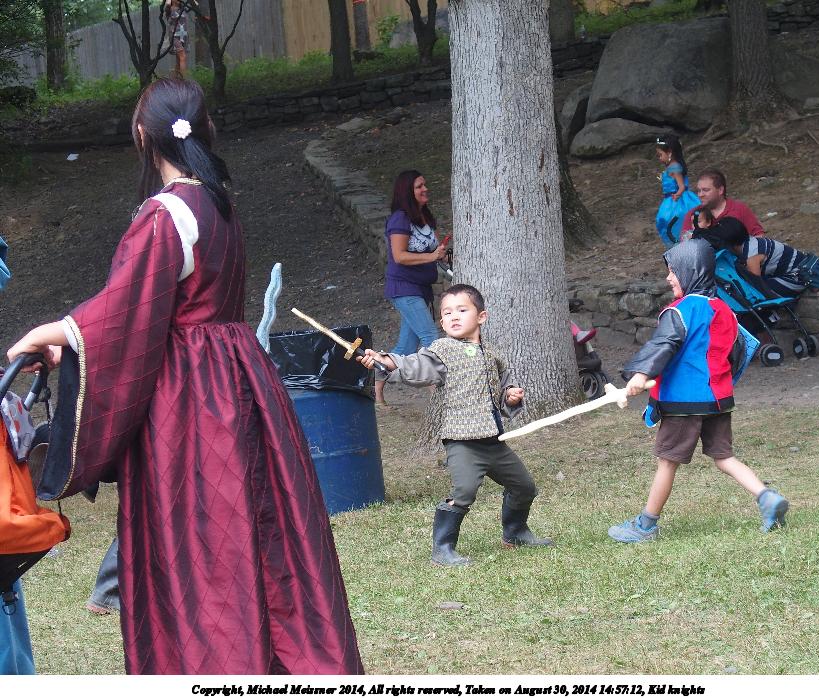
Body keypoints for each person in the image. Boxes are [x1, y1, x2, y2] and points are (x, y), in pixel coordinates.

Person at [7, 78, 363, 675]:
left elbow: (127, 311)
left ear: (142, 135)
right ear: (206, 130)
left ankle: (215, 666)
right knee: (256, 527)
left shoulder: (165, 214)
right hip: (241, 382)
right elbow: (159, 315)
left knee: (203, 539)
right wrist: (73, 345)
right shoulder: (219, 205)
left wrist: (54, 332)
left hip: (190, 400)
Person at [358, 284, 553, 566]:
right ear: (441, 321)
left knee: (524, 486)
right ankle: (443, 549)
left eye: (462, 310)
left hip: (493, 442)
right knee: (464, 492)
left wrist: (511, 396)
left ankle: (515, 532)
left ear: (481, 316)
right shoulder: (443, 351)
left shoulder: (492, 354)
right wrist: (385, 361)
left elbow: (500, 389)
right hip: (462, 442)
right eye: (447, 313)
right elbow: (415, 365)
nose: (454, 316)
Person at [608, 239, 789, 543]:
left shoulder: (681, 311)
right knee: (724, 457)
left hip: (685, 403)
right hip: (718, 400)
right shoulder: (724, 310)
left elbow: (664, 344)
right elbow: (737, 353)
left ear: (689, 271)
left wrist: (641, 374)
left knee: (667, 461)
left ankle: (645, 526)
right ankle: (767, 497)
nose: (668, 277)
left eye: (673, 271)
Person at [376, 170, 448, 406]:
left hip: (421, 288)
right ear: (407, 191)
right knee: (431, 337)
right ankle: (438, 393)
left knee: (405, 347)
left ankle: (376, 383)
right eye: (419, 186)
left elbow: (433, 250)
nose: (425, 189)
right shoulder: (399, 219)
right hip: (404, 288)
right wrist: (431, 256)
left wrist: (441, 254)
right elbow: (399, 256)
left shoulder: (425, 216)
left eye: (424, 184)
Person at [680, 169, 766, 240]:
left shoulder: (739, 209)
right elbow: (685, 247)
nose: (700, 195)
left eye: (705, 190)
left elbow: (759, 235)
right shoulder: (693, 215)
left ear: (720, 190)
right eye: (699, 191)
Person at [654, 135, 701, 248]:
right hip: (670, 199)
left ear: (669, 152)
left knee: (676, 220)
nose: (659, 158)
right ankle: (679, 244)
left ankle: (683, 242)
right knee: (665, 220)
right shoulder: (671, 167)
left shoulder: (675, 167)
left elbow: (682, 186)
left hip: (679, 200)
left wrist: (678, 194)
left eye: (660, 155)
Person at [164, 0, 189, 77]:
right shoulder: (169, 10)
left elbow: (195, 4)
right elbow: (167, 5)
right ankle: (184, 81)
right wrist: (168, 2)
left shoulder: (183, 8)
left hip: (183, 36)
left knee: (178, 60)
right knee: (183, 56)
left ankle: (175, 80)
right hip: (174, 37)